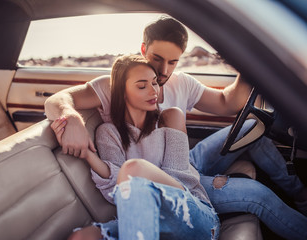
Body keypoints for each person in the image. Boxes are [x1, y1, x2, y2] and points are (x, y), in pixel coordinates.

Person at [47, 17, 307, 239]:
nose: (162, 72)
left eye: (172, 62)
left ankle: (301, 194)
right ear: (143, 48)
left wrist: (247, 64)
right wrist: (71, 119)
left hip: (184, 166)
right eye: (157, 59)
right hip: (154, 180)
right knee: (256, 195)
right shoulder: (113, 86)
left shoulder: (181, 87)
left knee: (252, 129)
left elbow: (229, 103)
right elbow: (57, 100)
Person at [67, 54, 220, 240]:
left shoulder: (171, 117)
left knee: (133, 168)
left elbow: (181, 180)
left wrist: (140, 176)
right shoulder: (108, 133)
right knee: (82, 237)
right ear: (122, 92)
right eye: (142, 86)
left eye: (154, 83)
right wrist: (89, 156)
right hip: (145, 215)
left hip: (192, 213)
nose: (153, 91)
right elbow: (115, 193)